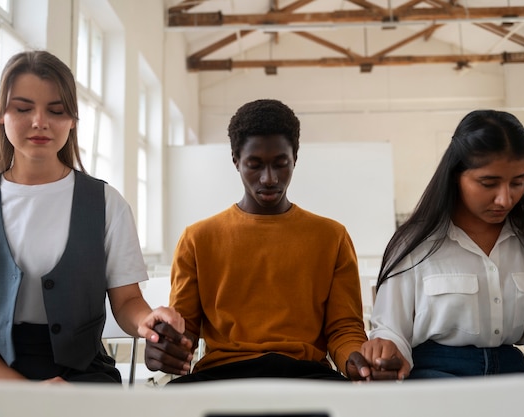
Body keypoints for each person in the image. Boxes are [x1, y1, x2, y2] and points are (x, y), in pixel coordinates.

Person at [0, 50, 187, 417]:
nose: (40, 122)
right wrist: (23, 392)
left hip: (82, 375)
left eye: (56, 111)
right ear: (0, 114)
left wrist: (146, 320)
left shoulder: (106, 203)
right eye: (23, 108)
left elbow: (125, 302)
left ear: (73, 120)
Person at [144, 98, 401, 382]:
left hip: (305, 374)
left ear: (295, 160)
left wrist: (354, 360)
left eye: (281, 164)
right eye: (255, 165)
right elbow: (185, 328)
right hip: (222, 374)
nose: (269, 178)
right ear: (235, 161)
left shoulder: (332, 237)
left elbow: (343, 329)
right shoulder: (198, 238)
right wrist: (167, 347)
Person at [363, 109, 524, 415]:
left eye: (517, 182)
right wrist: (386, 351)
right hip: (436, 377)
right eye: (488, 183)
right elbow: (392, 330)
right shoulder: (415, 242)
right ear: (456, 175)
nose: (504, 199)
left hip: (512, 375)